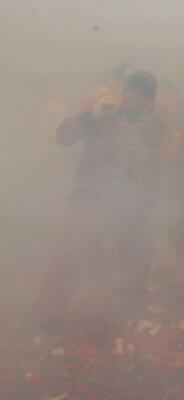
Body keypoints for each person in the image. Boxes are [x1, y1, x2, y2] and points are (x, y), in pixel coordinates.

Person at [35, 70, 168, 329]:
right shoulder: (103, 114)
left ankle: (132, 306)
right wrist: (88, 117)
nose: (133, 100)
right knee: (71, 250)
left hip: (132, 200)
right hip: (93, 195)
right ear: (123, 93)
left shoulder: (157, 124)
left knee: (140, 252)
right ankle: (48, 313)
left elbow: (169, 152)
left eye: (142, 97)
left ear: (150, 101)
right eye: (130, 93)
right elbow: (63, 138)